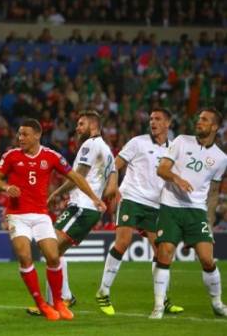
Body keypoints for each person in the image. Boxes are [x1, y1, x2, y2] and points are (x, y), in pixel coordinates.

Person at [0, 118, 106, 321]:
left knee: (53, 257)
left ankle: (59, 302)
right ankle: (41, 303)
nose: (20, 138)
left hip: (41, 215)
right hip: (17, 215)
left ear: (37, 135)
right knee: (25, 257)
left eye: (25, 134)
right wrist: (7, 188)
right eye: (19, 134)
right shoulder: (11, 156)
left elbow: (76, 177)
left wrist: (95, 198)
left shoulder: (51, 156)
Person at [95, 108, 183, 315]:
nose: (153, 122)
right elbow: (115, 164)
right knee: (123, 242)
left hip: (155, 205)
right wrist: (111, 185)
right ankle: (103, 291)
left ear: (168, 123)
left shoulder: (174, 150)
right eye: (151, 118)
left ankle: (163, 300)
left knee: (161, 251)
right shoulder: (138, 142)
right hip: (132, 199)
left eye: (158, 119)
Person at [150, 108, 227, 319]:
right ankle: (158, 306)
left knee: (207, 259)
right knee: (165, 253)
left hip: (196, 211)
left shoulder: (221, 158)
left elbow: (213, 193)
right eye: (199, 118)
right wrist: (177, 179)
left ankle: (217, 303)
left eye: (204, 120)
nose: (198, 122)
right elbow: (162, 169)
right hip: (170, 206)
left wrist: (209, 221)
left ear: (215, 127)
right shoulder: (182, 141)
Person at [40, 111, 114, 309]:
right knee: (55, 252)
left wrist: (55, 194)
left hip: (83, 207)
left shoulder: (90, 145)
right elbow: (111, 185)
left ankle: (56, 300)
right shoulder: (107, 150)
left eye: (81, 124)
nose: (77, 128)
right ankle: (63, 297)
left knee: (51, 248)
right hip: (86, 207)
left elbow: (78, 176)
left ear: (93, 126)